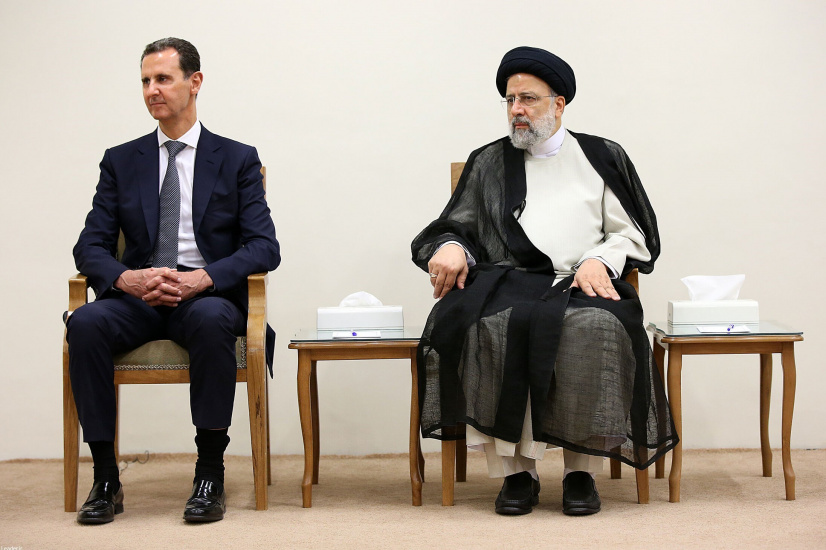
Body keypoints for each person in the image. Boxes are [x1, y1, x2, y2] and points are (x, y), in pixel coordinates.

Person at [411, 46, 677, 516]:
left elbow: (631, 232)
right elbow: (457, 224)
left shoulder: (601, 155)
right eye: (510, 100)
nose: (516, 109)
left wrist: (599, 260)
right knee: (487, 324)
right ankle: (516, 475)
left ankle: (581, 472)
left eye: (528, 99)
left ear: (559, 104)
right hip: (509, 281)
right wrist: (451, 246)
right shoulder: (488, 161)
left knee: (596, 326)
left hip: (580, 283)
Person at [67, 37, 280, 524]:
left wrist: (203, 278)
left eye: (163, 78)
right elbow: (89, 247)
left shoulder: (236, 158)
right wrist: (127, 279)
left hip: (204, 296)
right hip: (138, 296)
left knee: (210, 320)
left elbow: (264, 246)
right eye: (145, 81)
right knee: (85, 323)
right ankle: (105, 478)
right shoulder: (121, 161)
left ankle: (209, 475)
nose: (152, 90)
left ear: (194, 82)